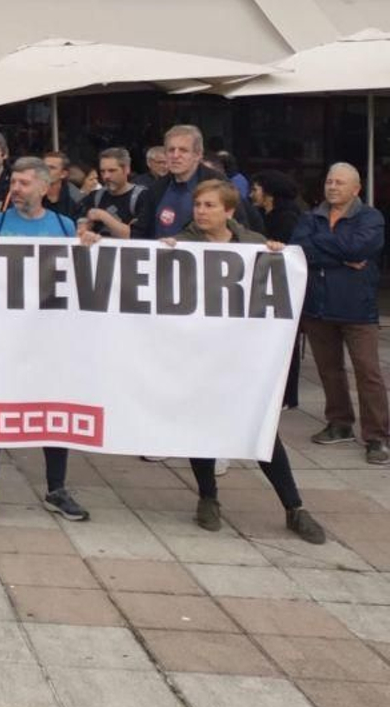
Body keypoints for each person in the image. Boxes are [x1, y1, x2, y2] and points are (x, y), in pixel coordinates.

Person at [155, 179, 327, 543]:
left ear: (229, 211)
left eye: (209, 205)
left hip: (242, 357)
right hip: (200, 354)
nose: (200, 211)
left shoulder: (251, 245)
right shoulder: (183, 245)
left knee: (261, 428)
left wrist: (279, 256)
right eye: (198, 204)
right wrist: (161, 252)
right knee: (202, 429)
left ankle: (294, 506)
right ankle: (207, 497)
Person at [0, 157, 90, 523]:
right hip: (3, 337)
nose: (16, 189)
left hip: (49, 339)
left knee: (53, 407)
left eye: (25, 183)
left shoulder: (62, 226)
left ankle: (56, 487)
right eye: (13, 182)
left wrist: (91, 247)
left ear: (45, 188)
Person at [293, 162, 388, 465]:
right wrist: (342, 256)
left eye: (340, 183)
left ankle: (377, 437)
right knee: (328, 370)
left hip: (357, 308)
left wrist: (332, 252)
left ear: (356, 189)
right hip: (318, 307)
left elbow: (359, 248)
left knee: (368, 373)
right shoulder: (311, 217)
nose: (332, 187)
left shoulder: (370, 217)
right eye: (329, 181)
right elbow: (300, 248)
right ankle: (339, 422)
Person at [129, 125, 252, 241]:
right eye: (171, 150)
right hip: (162, 261)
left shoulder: (219, 183)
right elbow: (140, 232)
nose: (176, 156)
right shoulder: (156, 188)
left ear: (198, 155)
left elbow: (242, 229)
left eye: (183, 150)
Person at [251, 170, 307, 407]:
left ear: (268, 193)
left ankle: (287, 396)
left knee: (286, 343)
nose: (252, 194)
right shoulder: (265, 214)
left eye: (256, 189)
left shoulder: (286, 217)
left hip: (282, 287)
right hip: (269, 286)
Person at [79, 147, 144, 239]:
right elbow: (81, 227)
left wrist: (103, 216)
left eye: (112, 171)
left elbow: (132, 235)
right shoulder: (95, 197)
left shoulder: (142, 197)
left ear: (126, 169)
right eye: (102, 171)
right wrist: (84, 230)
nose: (106, 176)